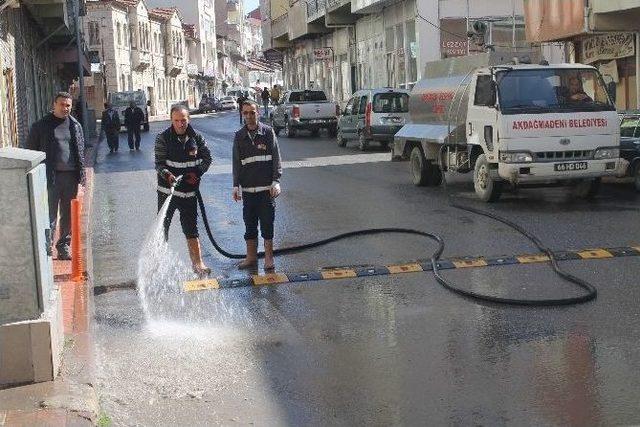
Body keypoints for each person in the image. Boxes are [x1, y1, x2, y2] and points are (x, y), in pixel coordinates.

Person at [26, 91, 85, 261]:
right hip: (49, 177)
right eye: (61, 104)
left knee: (67, 214)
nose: (65, 108)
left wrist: (81, 176)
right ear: (54, 104)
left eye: (68, 105)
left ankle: (63, 246)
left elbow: (80, 151)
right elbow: (31, 151)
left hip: (70, 177)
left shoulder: (75, 125)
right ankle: (46, 246)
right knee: (49, 213)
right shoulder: (40, 126)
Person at [155, 104, 212, 276]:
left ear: (189, 119)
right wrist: (168, 176)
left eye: (183, 120)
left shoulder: (198, 138)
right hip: (168, 193)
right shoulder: (163, 138)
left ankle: (198, 264)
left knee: (191, 228)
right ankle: (159, 264)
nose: (180, 124)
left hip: (189, 193)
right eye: (177, 121)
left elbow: (207, 158)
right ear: (171, 120)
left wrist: (198, 172)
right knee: (163, 227)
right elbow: (159, 164)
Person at [232, 101, 282, 270]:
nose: (248, 116)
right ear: (242, 114)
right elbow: (236, 163)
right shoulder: (239, 136)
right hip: (248, 191)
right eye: (245, 113)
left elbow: (276, 157)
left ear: (258, 112)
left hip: (266, 190)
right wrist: (235, 185)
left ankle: (269, 259)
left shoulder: (268, 132)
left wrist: (276, 181)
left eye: (252, 112)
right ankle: (251, 258)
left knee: (267, 224)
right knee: (250, 224)